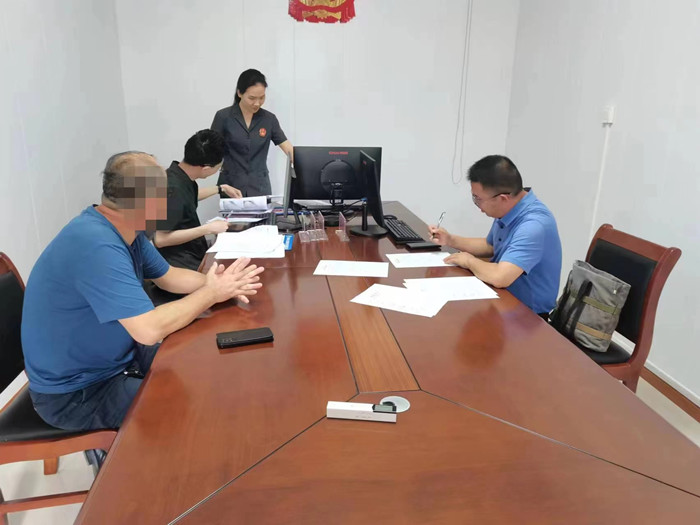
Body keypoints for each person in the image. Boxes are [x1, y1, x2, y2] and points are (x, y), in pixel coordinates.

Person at [21, 152, 265, 431]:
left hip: (120, 358)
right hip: (78, 392)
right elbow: (148, 330)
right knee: (195, 407)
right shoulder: (96, 245)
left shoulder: (126, 229)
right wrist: (210, 293)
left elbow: (169, 277)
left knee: (205, 365)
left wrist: (222, 283)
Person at [430, 155, 562, 317]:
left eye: (478, 199)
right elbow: (491, 246)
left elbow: (500, 277)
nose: (478, 207)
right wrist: (450, 239)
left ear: (502, 198)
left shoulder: (533, 226)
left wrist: (469, 261)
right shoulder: (510, 208)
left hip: (528, 317)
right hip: (501, 299)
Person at [154, 129, 242, 271]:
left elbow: (186, 198)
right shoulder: (173, 189)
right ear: (206, 168)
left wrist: (221, 188)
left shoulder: (178, 175)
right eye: (219, 168)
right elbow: (160, 239)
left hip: (192, 252)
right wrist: (208, 229)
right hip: (179, 264)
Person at [211, 69, 293, 196]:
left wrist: (303, 165)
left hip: (260, 187)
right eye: (252, 98)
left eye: (262, 98)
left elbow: (288, 148)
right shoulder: (223, 116)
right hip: (231, 186)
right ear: (239, 93)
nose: (257, 103)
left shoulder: (269, 119)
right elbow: (211, 149)